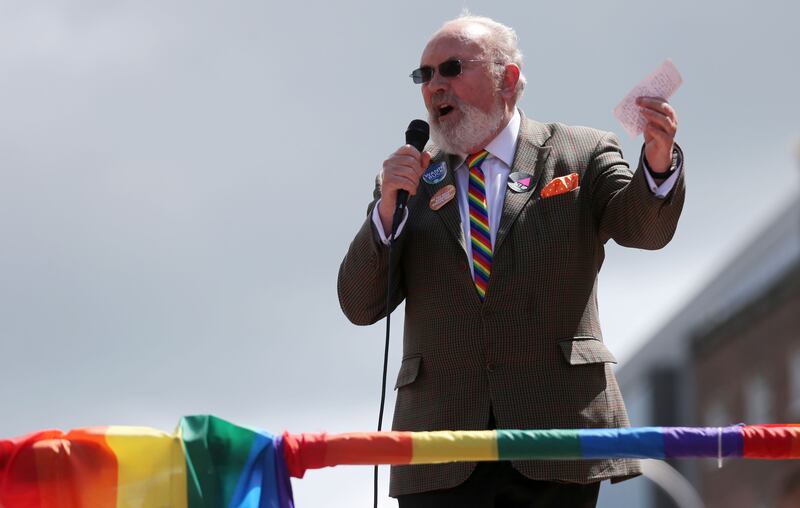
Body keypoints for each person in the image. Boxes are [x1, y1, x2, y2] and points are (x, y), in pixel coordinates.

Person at [337, 14, 684, 508]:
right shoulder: (410, 179)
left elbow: (643, 229)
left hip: (558, 434)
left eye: (451, 68)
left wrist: (657, 162)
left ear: (509, 78)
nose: (435, 85)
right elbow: (359, 303)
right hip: (441, 446)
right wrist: (386, 212)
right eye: (425, 75)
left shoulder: (579, 153)